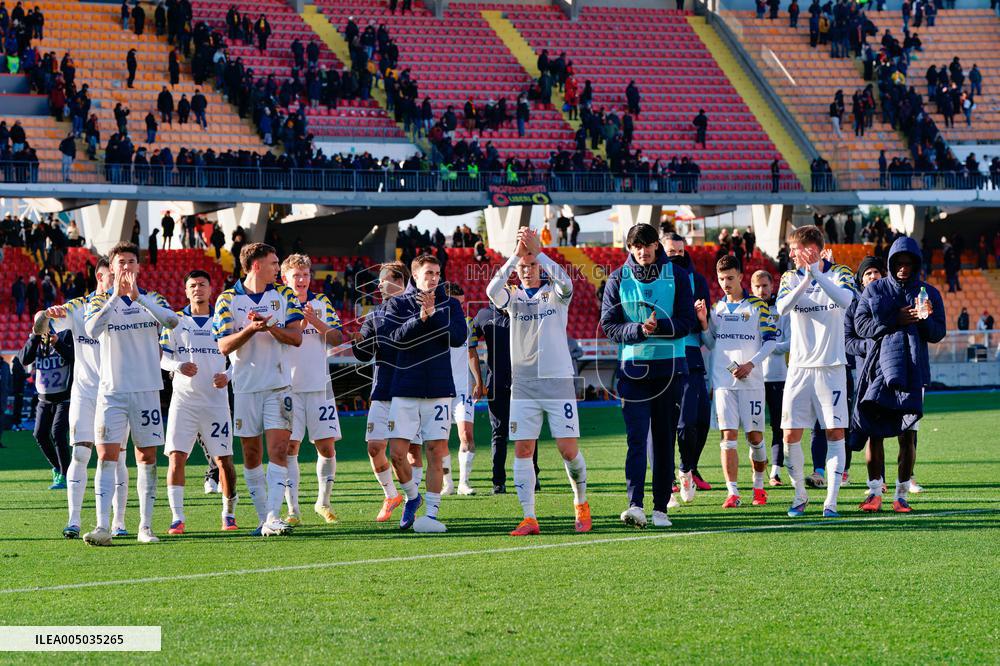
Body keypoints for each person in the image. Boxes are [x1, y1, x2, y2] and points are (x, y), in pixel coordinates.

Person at [487, 228, 591, 535]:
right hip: (524, 386)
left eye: (532, 266)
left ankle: (581, 502)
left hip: (557, 382)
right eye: (523, 267)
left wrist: (539, 252)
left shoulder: (555, 296)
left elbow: (567, 282)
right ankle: (529, 517)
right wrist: (515, 255)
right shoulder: (513, 298)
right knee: (522, 450)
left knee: (567, 450)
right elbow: (492, 290)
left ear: (539, 268)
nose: (527, 270)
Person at [81, 242, 179, 546]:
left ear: (138, 267)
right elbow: (91, 331)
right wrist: (114, 297)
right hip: (112, 392)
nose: (126, 267)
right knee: (106, 455)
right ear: (111, 268)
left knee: (146, 457)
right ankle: (102, 526)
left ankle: (145, 527)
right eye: (120, 262)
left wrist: (140, 299)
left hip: (147, 389)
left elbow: (172, 321)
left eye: (131, 261)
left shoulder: (152, 299)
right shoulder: (99, 302)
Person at [600, 223, 696, 528]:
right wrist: (639, 330)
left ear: (657, 245)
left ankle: (660, 509)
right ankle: (635, 505)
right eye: (636, 246)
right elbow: (609, 325)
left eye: (648, 245)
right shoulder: (616, 279)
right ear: (629, 248)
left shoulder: (678, 276)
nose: (643, 251)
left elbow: (686, 322)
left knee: (665, 441)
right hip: (633, 372)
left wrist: (660, 326)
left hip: (670, 369)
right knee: (636, 440)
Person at [214, 243, 303, 537]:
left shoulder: (285, 294)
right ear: (255, 266)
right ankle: (264, 516)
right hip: (245, 388)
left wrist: (269, 328)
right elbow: (224, 345)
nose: (278, 268)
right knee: (251, 454)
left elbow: (296, 338)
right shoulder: (227, 299)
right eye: (274, 263)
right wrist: (251, 330)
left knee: (278, 449)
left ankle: (274, 517)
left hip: (279, 386)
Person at [854, 237, 945, 513]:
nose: (904, 268)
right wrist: (896, 320)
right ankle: (874, 493)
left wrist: (925, 319)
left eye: (909, 263)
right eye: (899, 263)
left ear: (917, 264)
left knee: (908, 435)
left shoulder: (929, 293)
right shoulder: (875, 290)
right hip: (879, 371)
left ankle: (901, 494)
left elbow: (938, 332)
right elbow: (860, 325)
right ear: (891, 263)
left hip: (914, 373)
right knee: (874, 434)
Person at [43, 259, 129, 538]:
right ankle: (74, 520)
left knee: (117, 459)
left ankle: (118, 522)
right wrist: (45, 315)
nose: (115, 282)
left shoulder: (128, 307)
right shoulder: (78, 306)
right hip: (85, 392)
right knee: (80, 453)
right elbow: (44, 324)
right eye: (110, 277)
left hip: (117, 393)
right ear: (99, 276)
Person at [381, 253, 466, 533]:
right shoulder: (398, 303)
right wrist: (421, 318)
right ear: (414, 277)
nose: (433, 278)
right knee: (396, 453)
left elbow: (458, 338)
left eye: (437, 273)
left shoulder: (451, 304)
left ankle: (431, 513)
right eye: (428, 273)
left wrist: (434, 317)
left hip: (439, 388)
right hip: (405, 387)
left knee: (436, 451)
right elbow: (393, 340)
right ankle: (412, 497)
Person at [775, 225, 856, 518]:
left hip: (831, 367)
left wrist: (818, 275)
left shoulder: (840, 273)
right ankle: (799, 496)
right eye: (794, 249)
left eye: (801, 249)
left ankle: (831, 502)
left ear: (817, 250)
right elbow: (782, 308)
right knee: (789, 435)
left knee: (835, 433)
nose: (795, 254)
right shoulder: (789, 277)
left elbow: (847, 301)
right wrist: (805, 279)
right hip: (798, 368)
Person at [159, 270, 237, 534]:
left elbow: (239, 357)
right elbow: (163, 359)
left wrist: (228, 375)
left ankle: (229, 513)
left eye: (202, 284)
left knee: (224, 459)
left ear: (210, 288)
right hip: (184, 401)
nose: (197, 289)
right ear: (185, 290)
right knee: (176, 457)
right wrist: (179, 365)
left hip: (216, 401)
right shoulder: (175, 321)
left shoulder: (222, 318)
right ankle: (177, 517)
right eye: (192, 285)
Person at [697, 256, 776, 508]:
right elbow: (711, 344)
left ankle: (759, 485)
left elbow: (771, 341)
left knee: (754, 437)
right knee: (728, 436)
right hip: (723, 382)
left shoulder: (757, 306)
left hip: (751, 381)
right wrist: (704, 324)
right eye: (721, 279)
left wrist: (750, 364)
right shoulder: (717, 308)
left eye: (730, 278)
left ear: (741, 276)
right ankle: (732, 492)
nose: (725, 283)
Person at [279, 254, 343, 525]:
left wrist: (315, 321)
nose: (302, 280)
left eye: (305, 275)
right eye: (296, 275)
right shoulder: (278, 303)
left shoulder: (321, 302)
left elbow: (338, 338)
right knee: (290, 447)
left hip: (320, 386)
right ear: (285, 278)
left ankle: (323, 503)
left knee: (326, 448)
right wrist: (298, 325)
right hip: (288, 387)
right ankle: (293, 510)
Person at [351, 261, 411, 522]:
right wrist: (359, 343)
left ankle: (414, 498)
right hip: (383, 388)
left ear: (400, 281)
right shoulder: (375, 314)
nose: (378, 284)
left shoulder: (417, 309)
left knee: (410, 452)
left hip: (411, 391)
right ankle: (391, 495)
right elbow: (363, 353)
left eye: (384, 279)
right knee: (375, 448)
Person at [662, 233, 712, 498]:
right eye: (671, 251)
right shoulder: (656, 277)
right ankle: (668, 477)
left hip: (692, 354)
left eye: (680, 250)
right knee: (665, 421)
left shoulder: (697, 279)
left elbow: (702, 322)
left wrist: (699, 321)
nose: (677, 255)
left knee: (700, 418)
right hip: (663, 354)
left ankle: (688, 468)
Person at [19, 310, 74, 490]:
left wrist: (57, 344)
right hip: (44, 398)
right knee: (40, 434)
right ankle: (59, 468)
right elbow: (23, 359)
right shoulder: (35, 340)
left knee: (58, 433)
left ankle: (65, 475)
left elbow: (74, 358)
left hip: (64, 397)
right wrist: (34, 336)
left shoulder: (65, 335)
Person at [750, 270, 790, 486]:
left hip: (778, 376)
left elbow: (792, 341)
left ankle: (775, 471)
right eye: (757, 286)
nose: (762, 290)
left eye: (765, 286)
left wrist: (770, 347)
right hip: (754, 377)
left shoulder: (782, 311)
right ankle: (758, 466)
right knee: (753, 426)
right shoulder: (747, 311)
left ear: (772, 286)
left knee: (778, 425)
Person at [443, 283, 483, 497]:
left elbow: (471, 353)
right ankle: (447, 483)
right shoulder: (435, 322)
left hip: (462, 389)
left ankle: (464, 483)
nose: (461, 307)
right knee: (440, 440)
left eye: (463, 303)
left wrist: (478, 381)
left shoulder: (467, 323)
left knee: (466, 435)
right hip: (439, 389)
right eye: (457, 303)